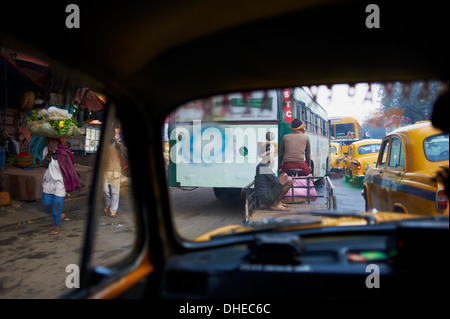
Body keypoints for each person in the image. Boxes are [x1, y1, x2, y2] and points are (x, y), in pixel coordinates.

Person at [41, 137, 80, 235]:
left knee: (57, 203)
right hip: (48, 181)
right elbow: (44, 165)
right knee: (46, 203)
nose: (52, 142)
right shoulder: (46, 149)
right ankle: (58, 214)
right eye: (50, 140)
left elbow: (69, 166)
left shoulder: (64, 151)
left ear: (58, 141)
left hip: (60, 181)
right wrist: (49, 153)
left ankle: (56, 225)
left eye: (54, 140)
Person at [255, 144, 293, 211]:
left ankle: (277, 202)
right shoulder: (263, 166)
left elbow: (272, 181)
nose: (274, 156)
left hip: (267, 193)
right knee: (289, 180)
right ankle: (274, 204)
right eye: (272, 153)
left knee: (284, 175)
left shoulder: (264, 164)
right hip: (265, 197)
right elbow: (276, 181)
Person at [103, 128, 128, 218]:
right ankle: (108, 202)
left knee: (115, 192)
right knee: (104, 189)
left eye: (111, 134)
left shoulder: (119, 146)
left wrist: (125, 168)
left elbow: (125, 156)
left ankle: (113, 210)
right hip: (105, 171)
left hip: (116, 171)